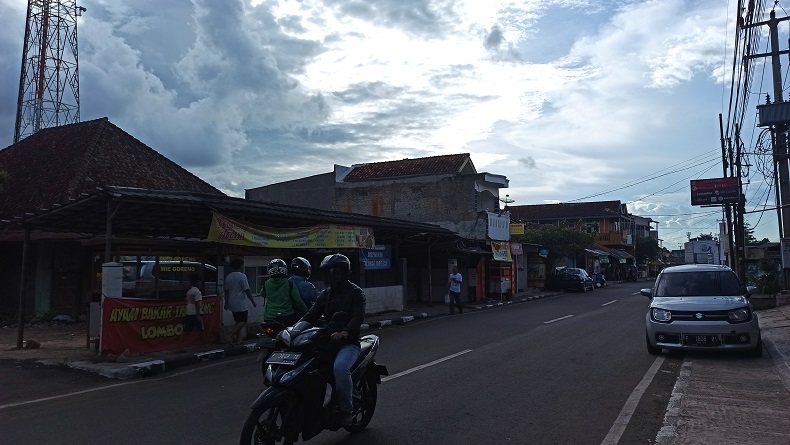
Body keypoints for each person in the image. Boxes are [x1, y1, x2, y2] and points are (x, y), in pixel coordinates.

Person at [299, 253, 366, 427]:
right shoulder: (325, 294)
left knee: (340, 368)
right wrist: (292, 330)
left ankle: (346, 410)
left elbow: (358, 317)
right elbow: (310, 315)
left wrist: (345, 332)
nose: (331, 276)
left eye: (334, 271)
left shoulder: (356, 293)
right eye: (328, 272)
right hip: (327, 342)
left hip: (348, 343)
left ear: (344, 272)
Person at [262, 258, 309, 326]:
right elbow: (298, 301)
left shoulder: (267, 284)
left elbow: (263, 294)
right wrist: (308, 313)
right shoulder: (289, 284)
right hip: (286, 317)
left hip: (269, 317)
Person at [224, 258, 257, 345]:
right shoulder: (242, 276)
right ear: (240, 266)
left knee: (238, 321)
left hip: (231, 303)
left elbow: (226, 291)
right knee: (243, 321)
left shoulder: (228, 277)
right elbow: (247, 290)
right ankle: (230, 336)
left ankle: (238, 339)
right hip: (240, 303)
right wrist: (253, 301)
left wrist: (226, 303)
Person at [181, 273, 204, 348]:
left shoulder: (189, 291)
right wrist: (198, 315)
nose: (201, 282)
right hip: (195, 313)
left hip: (189, 312)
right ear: (197, 282)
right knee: (201, 330)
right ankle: (204, 345)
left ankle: (180, 346)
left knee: (186, 331)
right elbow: (197, 303)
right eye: (199, 281)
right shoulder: (197, 292)